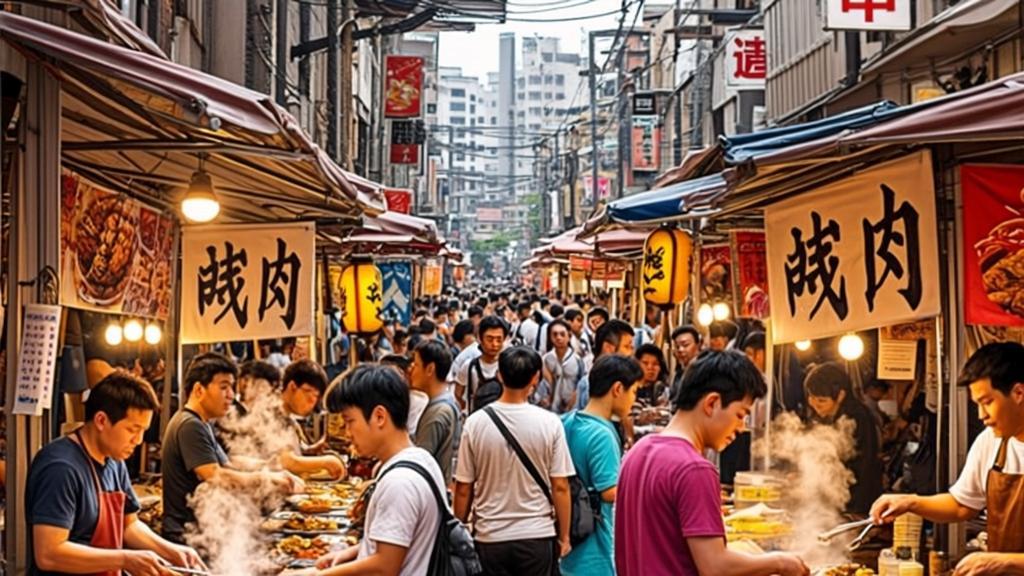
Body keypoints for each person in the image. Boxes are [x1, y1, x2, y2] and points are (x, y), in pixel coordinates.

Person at [615, 350, 809, 576]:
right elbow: (715, 566)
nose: (740, 428)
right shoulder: (694, 468)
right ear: (712, 403)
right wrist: (779, 562)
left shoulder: (638, 451)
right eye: (740, 415)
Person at [28, 372, 205, 576]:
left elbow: (128, 526)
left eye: (143, 431)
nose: (138, 441)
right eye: (132, 429)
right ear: (101, 420)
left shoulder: (114, 461)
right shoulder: (60, 468)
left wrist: (174, 552)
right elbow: (49, 554)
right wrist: (125, 558)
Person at [871, 343, 1024, 574]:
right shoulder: (990, 441)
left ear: (1018, 393)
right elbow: (962, 505)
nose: (982, 416)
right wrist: (910, 502)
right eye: (977, 405)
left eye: (988, 402)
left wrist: (1005, 562)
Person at [305, 365, 450, 576]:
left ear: (379, 417)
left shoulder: (399, 482)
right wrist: (352, 553)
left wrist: (317, 575)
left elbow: (385, 567)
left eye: (349, 421)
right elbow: (398, 545)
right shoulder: (421, 459)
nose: (347, 433)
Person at [454, 347, 575, 575]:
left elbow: (463, 488)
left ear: (499, 374)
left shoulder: (475, 423)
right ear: (535, 378)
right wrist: (564, 536)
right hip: (537, 535)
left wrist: (459, 529)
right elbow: (560, 486)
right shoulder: (550, 423)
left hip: (490, 535)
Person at [161, 352, 302, 544]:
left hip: (205, 530)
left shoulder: (204, 423)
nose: (231, 395)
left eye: (232, 388)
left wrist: (269, 466)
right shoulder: (189, 425)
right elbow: (216, 476)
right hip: (185, 534)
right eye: (224, 387)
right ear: (199, 390)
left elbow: (228, 464)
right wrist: (265, 479)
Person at [560, 355, 643, 576]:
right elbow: (609, 492)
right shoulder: (602, 434)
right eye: (633, 391)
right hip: (593, 551)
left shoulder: (566, 420)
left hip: (568, 540)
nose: (633, 400)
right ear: (617, 389)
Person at [805, 362, 882, 514]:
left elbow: (859, 468)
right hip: (837, 500)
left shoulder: (856, 418)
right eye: (811, 398)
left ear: (840, 395)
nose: (815, 405)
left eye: (821, 400)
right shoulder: (827, 414)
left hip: (856, 503)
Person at [278, 359, 346, 480]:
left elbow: (294, 451)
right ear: (292, 386)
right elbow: (286, 461)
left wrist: (312, 450)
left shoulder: (288, 418)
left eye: (316, 397)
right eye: (311, 395)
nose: (313, 403)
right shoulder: (271, 415)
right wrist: (325, 461)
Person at [409, 340, 461, 484]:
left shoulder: (439, 412)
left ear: (430, 369)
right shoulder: (441, 404)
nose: (411, 369)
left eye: (416, 364)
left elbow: (420, 460)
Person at [574, 319, 636, 410]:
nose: (631, 353)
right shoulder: (592, 384)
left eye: (632, 348)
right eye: (627, 347)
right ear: (608, 348)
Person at [454, 315, 506, 413]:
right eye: (490, 339)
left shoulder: (509, 366)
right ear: (480, 338)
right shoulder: (469, 366)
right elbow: (458, 393)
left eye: (499, 340)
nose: (494, 344)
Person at [542, 319, 586, 414]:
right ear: (549, 337)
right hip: (550, 409)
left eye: (562, 334)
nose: (558, 338)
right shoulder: (546, 359)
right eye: (555, 334)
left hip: (573, 409)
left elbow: (581, 384)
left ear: (569, 336)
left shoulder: (577, 359)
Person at [670, 325, 702, 397]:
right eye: (677, 347)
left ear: (698, 345)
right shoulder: (679, 373)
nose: (680, 350)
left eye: (685, 345)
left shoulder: (705, 370)